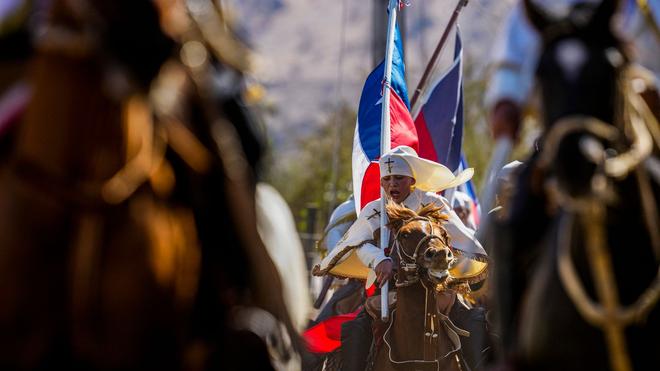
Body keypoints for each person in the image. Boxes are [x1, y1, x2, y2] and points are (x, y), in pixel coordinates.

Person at [313, 145, 488, 371]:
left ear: (411, 180)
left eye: (399, 178)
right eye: (387, 179)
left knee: (473, 321)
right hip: (389, 291)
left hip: (437, 289)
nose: (392, 184)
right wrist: (379, 259)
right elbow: (358, 243)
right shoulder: (376, 210)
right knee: (356, 329)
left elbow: (460, 240)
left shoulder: (433, 204)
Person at [485, 0, 659, 142]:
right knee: (509, 179)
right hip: (556, 130)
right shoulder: (540, 4)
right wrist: (506, 100)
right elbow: (515, 54)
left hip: (640, 124)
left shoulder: (645, 6)